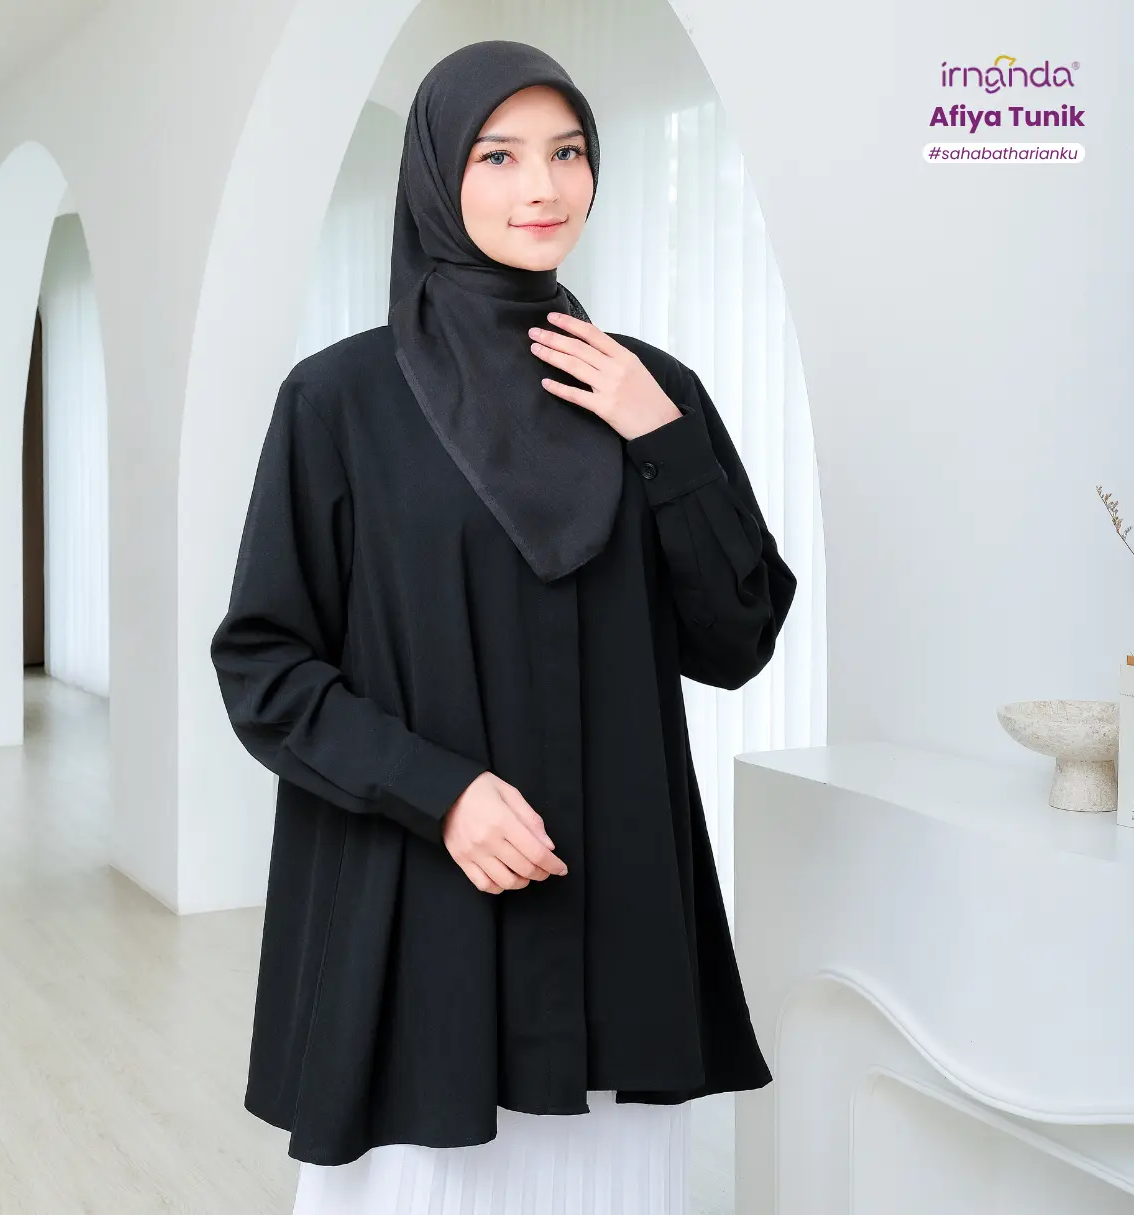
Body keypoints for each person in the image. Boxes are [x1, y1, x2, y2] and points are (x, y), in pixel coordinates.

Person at [210, 38, 798, 1215]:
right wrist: (440, 795)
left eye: (569, 153)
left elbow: (737, 638)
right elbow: (264, 665)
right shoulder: (340, 401)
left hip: (616, 908)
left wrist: (662, 438)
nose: (544, 187)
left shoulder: (652, 389)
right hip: (421, 906)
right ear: (437, 174)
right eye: (500, 155)